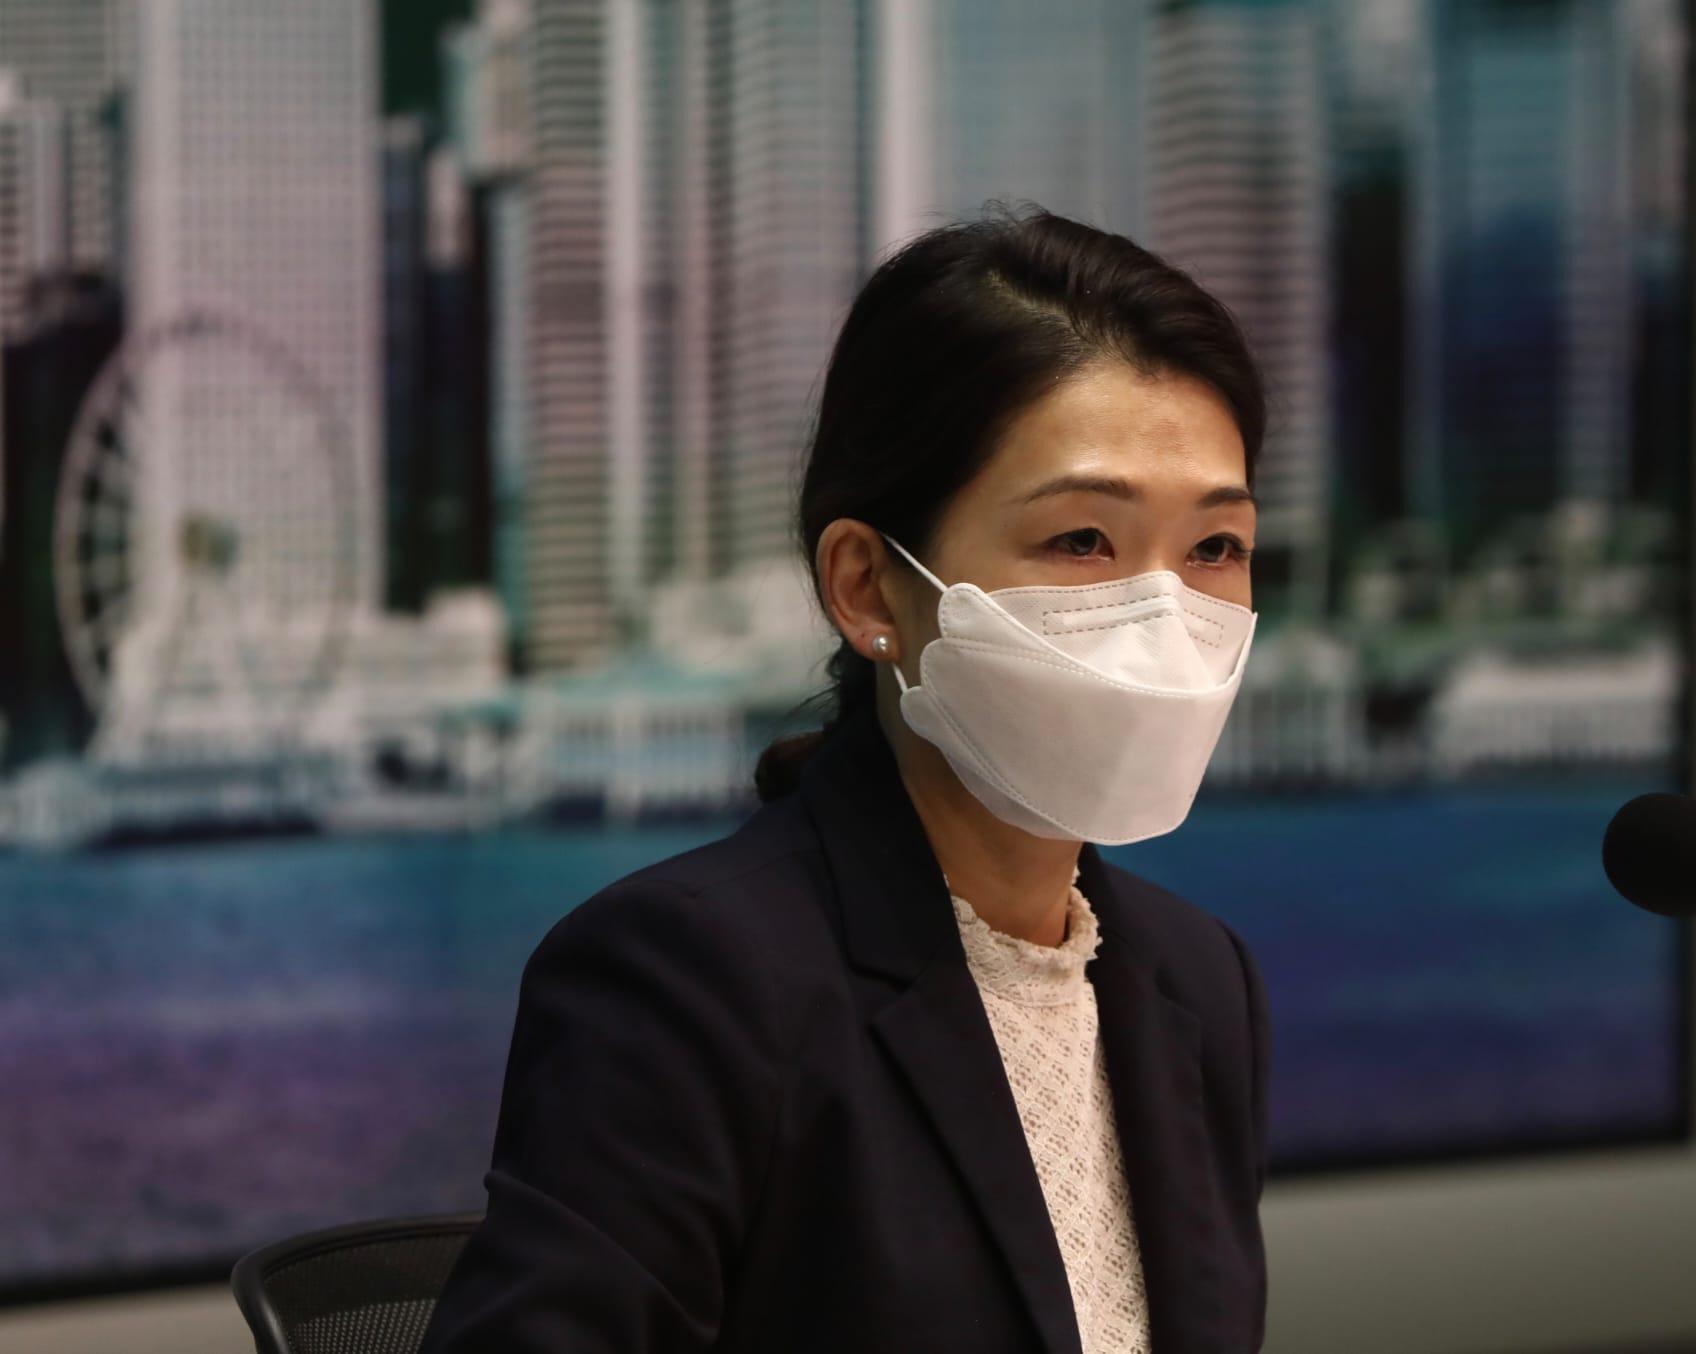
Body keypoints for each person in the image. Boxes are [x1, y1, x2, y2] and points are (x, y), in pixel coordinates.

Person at [419, 204, 1272, 1353]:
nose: (1161, 616)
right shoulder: (689, 978)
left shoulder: (1197, 981)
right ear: (867, 587)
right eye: (1081, 540)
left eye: (1214, 548)